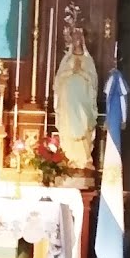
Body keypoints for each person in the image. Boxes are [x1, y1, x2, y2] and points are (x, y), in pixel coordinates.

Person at [53, 25, 99, 169]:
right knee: (69, 126)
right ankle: (71, 157)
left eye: (80, 38)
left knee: (84, 124)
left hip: (83, 100)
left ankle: (84, 158)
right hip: (68, 100)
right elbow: (58, 81)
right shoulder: (67, 60)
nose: (77, 41)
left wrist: (81, 72)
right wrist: (71, 71)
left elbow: (94, 81)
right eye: (75, 38)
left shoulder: (88, 61)